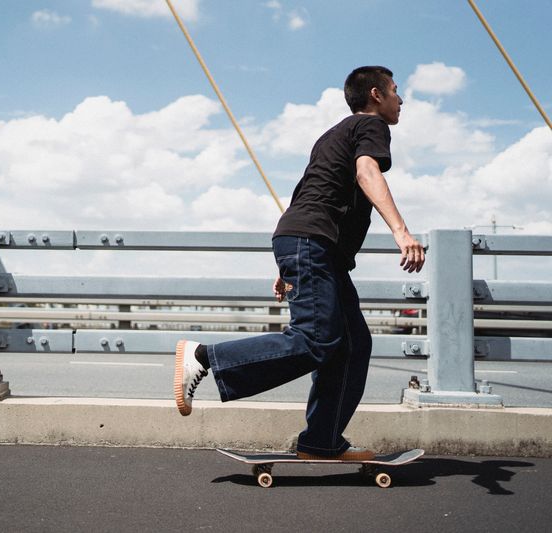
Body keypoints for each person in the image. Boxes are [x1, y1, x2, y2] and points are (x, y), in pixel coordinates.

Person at [174, 66, 425, 461]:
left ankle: (321, 440)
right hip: (310, 243)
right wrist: (401, 231)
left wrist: (290, 262)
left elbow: (309, 191)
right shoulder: (370, 126)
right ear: (376, 95)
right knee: (316, 339)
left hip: (311, 245)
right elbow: (366, 170)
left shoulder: (332, 134)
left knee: (353, 345)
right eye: (396, 91)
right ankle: (204, 356)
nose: (401, 99)